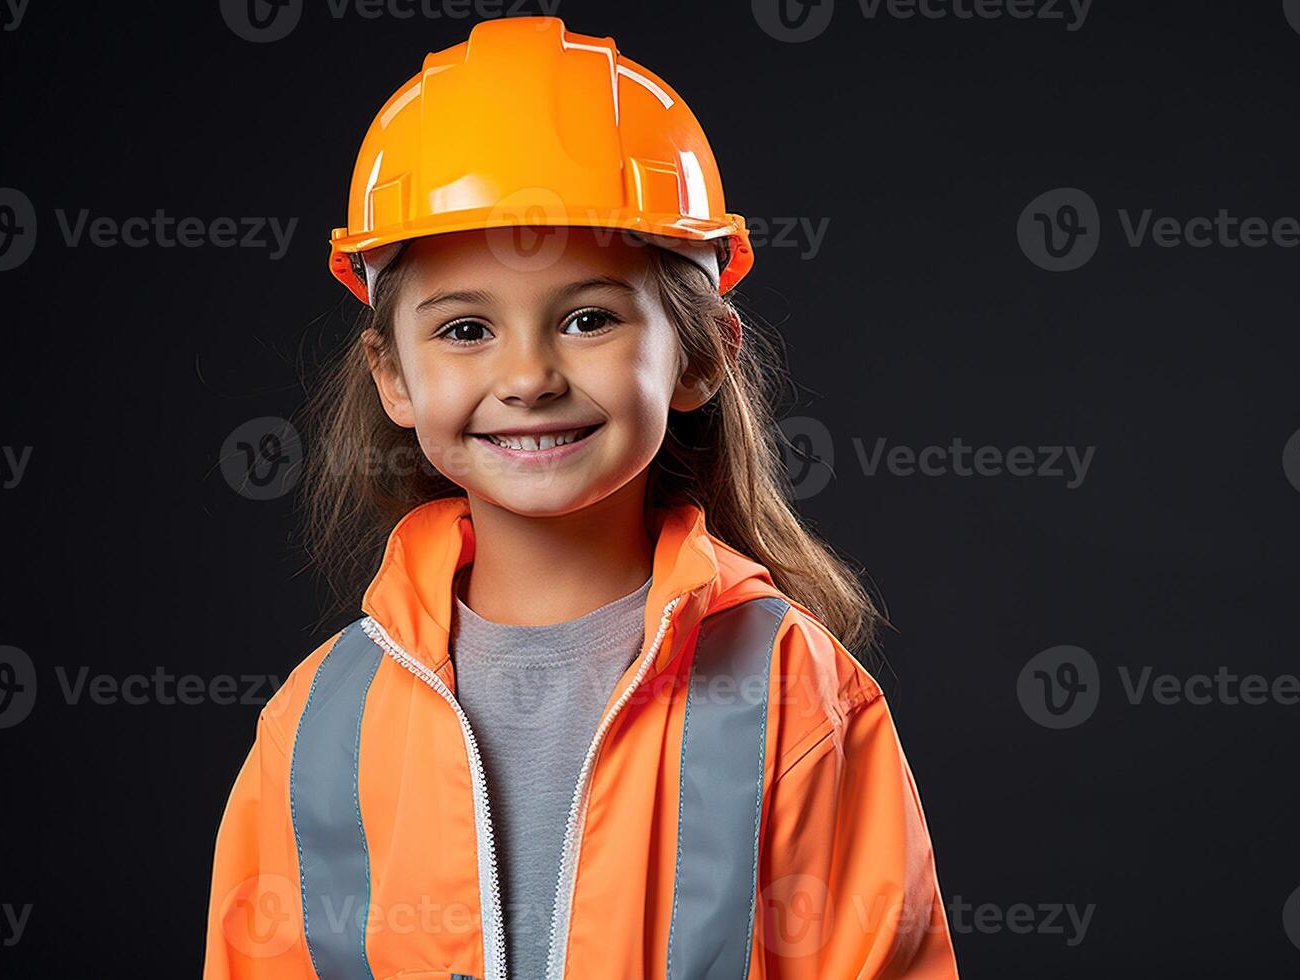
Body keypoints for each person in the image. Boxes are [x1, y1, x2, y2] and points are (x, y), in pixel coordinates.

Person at [203, 15, 958, 980]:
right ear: (394, 377)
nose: (528, 376)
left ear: (699, 354)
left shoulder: (796, 697)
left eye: (588, 317)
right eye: (466, 328)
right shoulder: (317, 723)